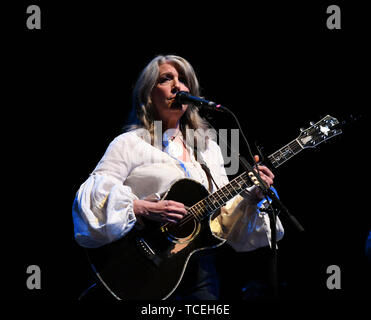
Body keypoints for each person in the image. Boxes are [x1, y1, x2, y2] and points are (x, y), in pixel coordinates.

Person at [72, 54, 284, 300]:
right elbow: (92, 198)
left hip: (200, 271)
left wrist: (252, 197)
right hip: (144, 266)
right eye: (166, 78)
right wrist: (140, 207)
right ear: (148, 93)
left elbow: (224, 215)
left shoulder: (208, 150)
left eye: (183, 79)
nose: (177, 85)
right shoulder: (129, 144)